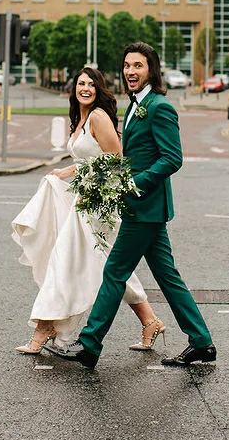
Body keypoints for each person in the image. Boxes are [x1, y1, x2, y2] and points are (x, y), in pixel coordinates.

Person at [51, 42, 216, 370]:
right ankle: (201, 342)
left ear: (151, 70)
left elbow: (172, 158)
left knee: (114, 271)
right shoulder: (136, 104)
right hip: (144, 208)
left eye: (137, 65)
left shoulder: (158, 106)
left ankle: (89, 344)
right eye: (127, 65)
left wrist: (134, 185)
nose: (130, 71)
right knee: (168, 277)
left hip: (145, 205)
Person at [10, 67, 166, 355]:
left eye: (91, 84)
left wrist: (92, 189)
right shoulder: (80, 118)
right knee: (110, 268)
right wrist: (64, 173)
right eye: (81, 83)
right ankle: (150, 321)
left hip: (97, 207)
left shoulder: (97, 116)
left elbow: (116, 160)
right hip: (85, 202)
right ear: (74, 88)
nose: (85, 88)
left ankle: (44, 328)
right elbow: (88, 160)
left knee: (66, 262)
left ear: (98, 90)